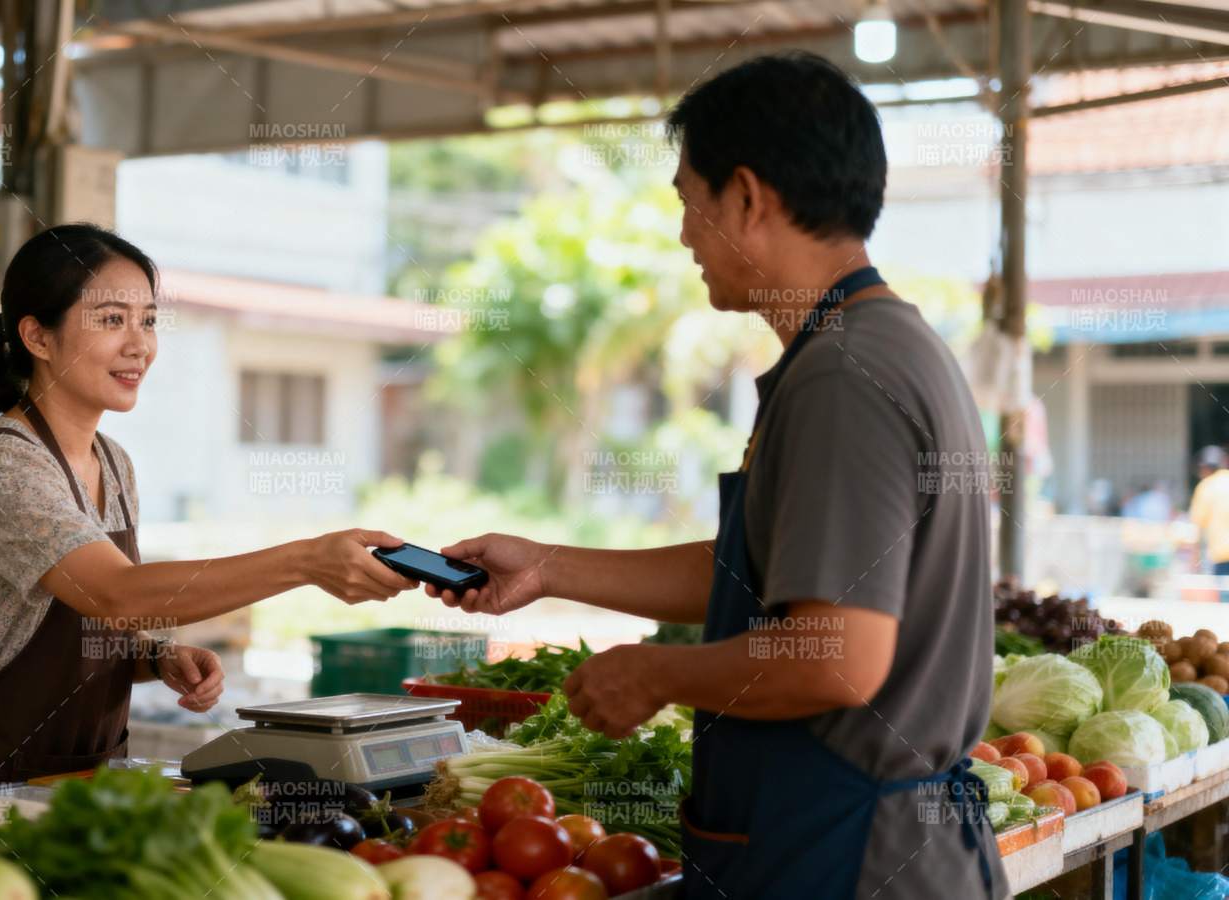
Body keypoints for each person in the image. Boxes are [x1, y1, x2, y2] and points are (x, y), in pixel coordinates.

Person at [429, 53, 1002, 898]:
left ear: (746, 196)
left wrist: (656, 673)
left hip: (850, 859)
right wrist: (550, 567)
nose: (686, 234)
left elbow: (834, 656)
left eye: (688, 204)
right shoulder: (880, 346)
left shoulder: (845, 378)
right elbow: (758, 572)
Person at [0, 224, 418, 787]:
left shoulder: (114, 464)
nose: (139, 344)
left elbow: (96, 618)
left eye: (147, 320)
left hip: (82, 786)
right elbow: (116, 595)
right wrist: (307, 562)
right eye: (112, 319)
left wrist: (156, 658)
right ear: (38, 338)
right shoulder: (2, 467)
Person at [1189, 446, 1229, 576]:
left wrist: (1194, 561)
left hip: (1222, 555)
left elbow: (1197, 530)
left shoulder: (1206, 487)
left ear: (1204, 468)